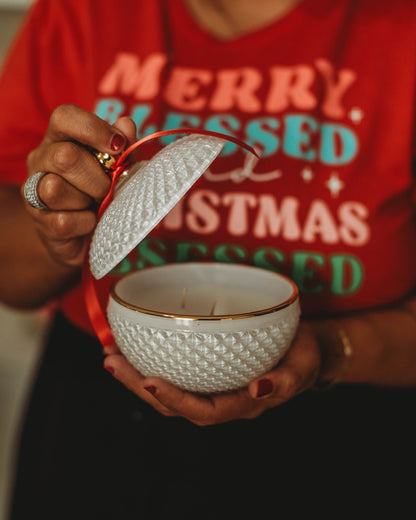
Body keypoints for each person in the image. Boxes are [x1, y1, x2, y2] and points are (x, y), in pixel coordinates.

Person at [1, 0, 416, 517]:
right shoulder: (81, 12)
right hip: (100, 426)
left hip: (353, 437)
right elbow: (10, 280)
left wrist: (332, 351)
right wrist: (55, 222)